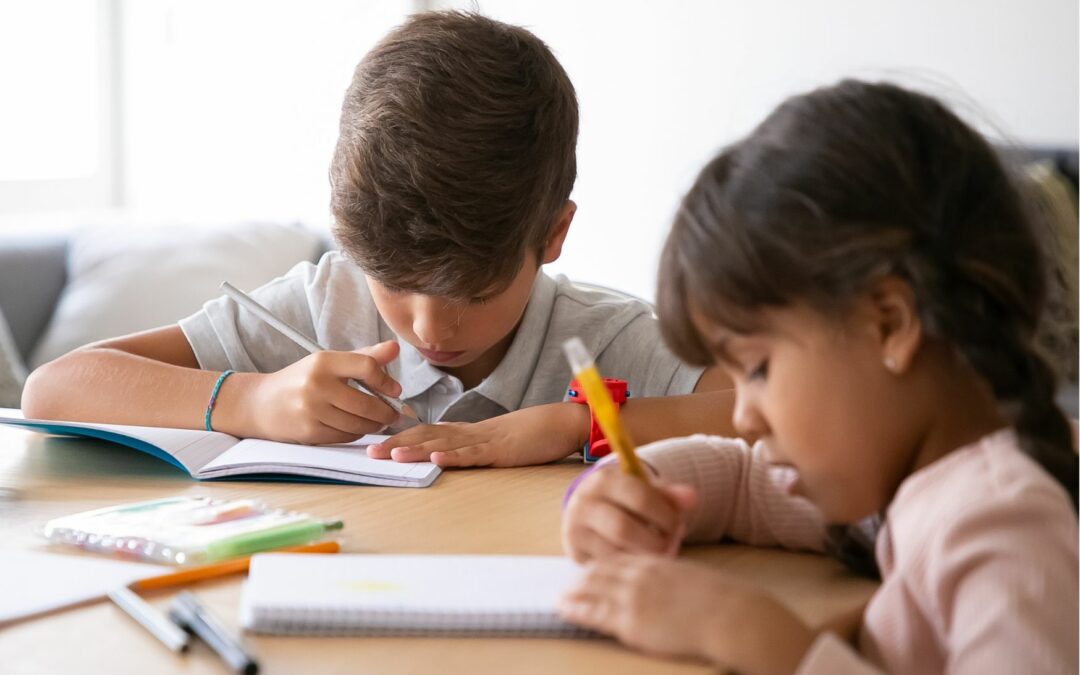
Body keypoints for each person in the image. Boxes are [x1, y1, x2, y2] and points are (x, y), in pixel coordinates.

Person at [21, 11, 732, 467]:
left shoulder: (603, 339)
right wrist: (250, 399)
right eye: (393, 281)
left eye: (474, 291)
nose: (429, 328)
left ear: (553, 235)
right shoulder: (323, 307)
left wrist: (578, 425)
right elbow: (54, 388)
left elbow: (769, 416)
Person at [558, 80, 1078, 674]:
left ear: (888, 324)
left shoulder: (1002, 527)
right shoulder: (913, 481)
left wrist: (761, 640)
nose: (742, 414)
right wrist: (630, 487)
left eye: (757, 369)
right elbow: (744, 482)